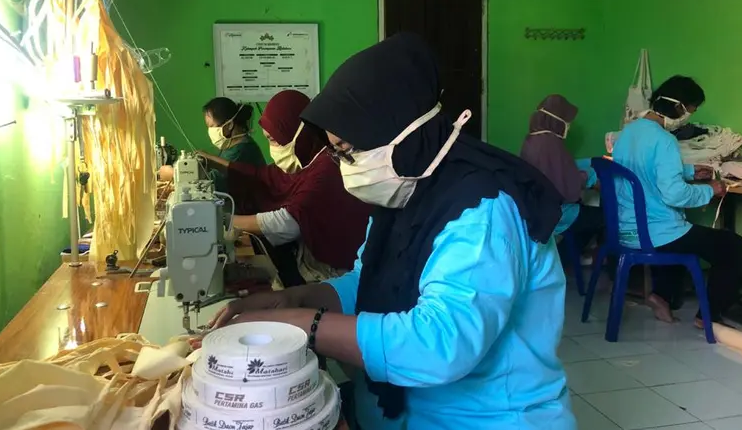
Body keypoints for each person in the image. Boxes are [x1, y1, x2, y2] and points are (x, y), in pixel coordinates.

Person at [207, 33, 575, 429]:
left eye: (349, 149)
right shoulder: (408, 192)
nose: (345, 164)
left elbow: (439, 345)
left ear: (399, 130)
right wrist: (292, 300)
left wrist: (304, 326)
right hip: (401, 412)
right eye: (337, 152)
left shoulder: (483, 212)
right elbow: (368, 282)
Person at [199, 90, 372, 286]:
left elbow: (288, 223)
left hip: (331, 269)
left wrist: (220, 220)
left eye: (273, 139)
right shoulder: (307, 159)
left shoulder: (327, 168)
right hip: (307, 255)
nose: (272, 147)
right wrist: (212, 161)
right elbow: (264, 176)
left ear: (295, 131)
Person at [611, 75, 742, 325]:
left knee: (687, 236)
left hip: (626, 229)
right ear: (679, 107)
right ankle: (709, 316)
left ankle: (662, 296)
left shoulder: (628, 134)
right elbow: (674, 194)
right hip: (656, 233)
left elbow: (643, 172)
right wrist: (711, 189)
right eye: (691, 111)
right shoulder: (664, 141)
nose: (689, 118)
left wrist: (692, 172)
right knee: (732, 245)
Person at [520, 95, 603, 254]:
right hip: (556, 212)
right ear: (557, 119)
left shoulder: (533, 139)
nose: (568, 126)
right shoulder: (551, 143)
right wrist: (592, 178)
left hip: (535, 208)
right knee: (606, 218)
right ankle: (569, 259)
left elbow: (558, 169)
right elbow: (567, 180)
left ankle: (569, 259)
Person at [158, 97, 265, 203]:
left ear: (229, 125)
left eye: (212, 126)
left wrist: (174, 174)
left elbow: (214, 184)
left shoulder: (242, 151)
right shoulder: (232, 147)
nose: (210, 131)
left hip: (245, 212)